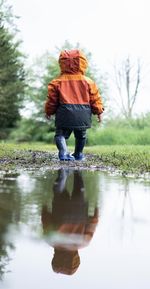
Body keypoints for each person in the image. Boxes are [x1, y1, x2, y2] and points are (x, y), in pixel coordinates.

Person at [45, 49, 104, 161]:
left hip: (64, 112)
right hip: (83, 113)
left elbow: (52, 100)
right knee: (81, 135)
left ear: (62, 63)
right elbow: (95, 98)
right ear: (82, 63)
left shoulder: (57, 82)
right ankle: (78, 154)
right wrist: (99, 112)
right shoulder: (88, 82)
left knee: (60, 134)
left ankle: (63, 153)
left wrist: (49, 111)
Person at [41, 169, 99, 275]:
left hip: (79, 209)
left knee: (79, 187)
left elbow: (93, 222)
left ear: (76, 258)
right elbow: (46, 220)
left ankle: (78, 172)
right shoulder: (52, 240)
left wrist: (96, 209)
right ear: (55, 257)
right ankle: (62, 177)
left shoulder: (83, 242)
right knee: (59, 192)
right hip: (61, 210)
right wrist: (44, 207)